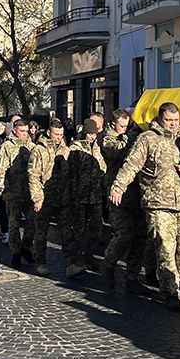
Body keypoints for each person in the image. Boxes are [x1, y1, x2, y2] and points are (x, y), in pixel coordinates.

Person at [109, 103, 180, 310]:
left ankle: (175, 282)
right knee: (165, 248)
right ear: (159, 119)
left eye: (176, 121)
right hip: (156, 203)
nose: (173, 125)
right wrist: (118, 187)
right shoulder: (147, 139)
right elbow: (131, 165)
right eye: (169, 121)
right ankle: (170, 293)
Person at [101, 109, 150, 296]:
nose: (125, 128)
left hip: (136, 193)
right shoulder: (108, 139)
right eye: (123, 126)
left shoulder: (129, 135)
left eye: (127, 125)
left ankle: (132, 277)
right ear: (113, 125)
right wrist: (135, 132)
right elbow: (120, 152)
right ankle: (108, 264)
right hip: (118, 195)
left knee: (140, 236)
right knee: (123, 235)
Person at [29, 119, 72, 277]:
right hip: (44, 198)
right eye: (56, 134)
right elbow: (33, 176)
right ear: (49, 133)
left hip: (62, 198)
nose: (59, 137)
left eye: (61, 135)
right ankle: (40, 261)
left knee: (66, 231)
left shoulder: (65, 150)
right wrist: (37, 199)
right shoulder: (39, 150)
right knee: (41, 232)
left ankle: (70, 263)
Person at [68, 117, 107, 275]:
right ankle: (76, 258)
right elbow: (71, 173)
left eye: (94, 134)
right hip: (80, 195)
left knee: (97, 227)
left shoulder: (96, 148)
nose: (92, 136)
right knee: (79, 229)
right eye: (90, 133)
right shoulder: (76, 149)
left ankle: (90, 256)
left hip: (95, 195)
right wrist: (72, 193)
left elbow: (103, 167)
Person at [0, 119, 37, 269]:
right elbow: (0, 170)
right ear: (14, 130)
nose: (25, 134)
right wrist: (3, 190)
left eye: (26, 131)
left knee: (32, 223)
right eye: (22, 131)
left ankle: (25, 247)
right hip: (13, 192)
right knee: (13, 224)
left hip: (29, 192)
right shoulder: (7, 146)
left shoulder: (32, 146)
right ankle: (15, 253)